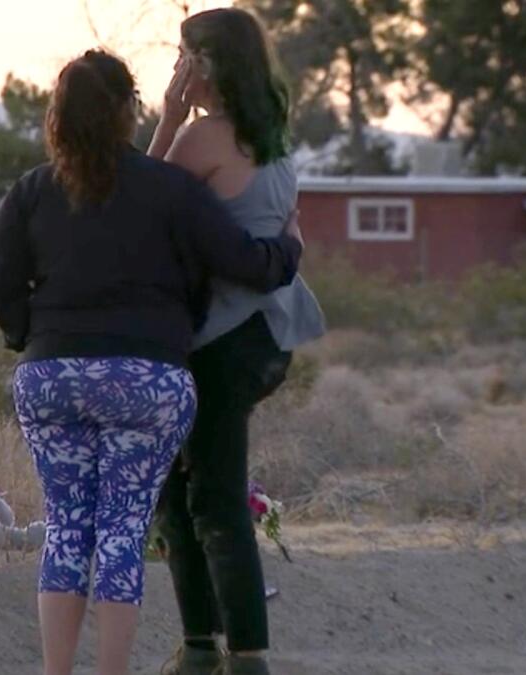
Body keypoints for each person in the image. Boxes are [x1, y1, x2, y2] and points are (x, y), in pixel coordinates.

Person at [0, 49, 304, 675]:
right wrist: (287, 247)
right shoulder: (171, 189)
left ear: (57, 117)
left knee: (69, 529)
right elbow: (242, 260)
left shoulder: (33, 190)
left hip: (53, 379)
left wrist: (34, 337)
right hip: (146, 382)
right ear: (130, 110)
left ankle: (56, 671)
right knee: (123, 531)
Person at [147, 8, 326, 675]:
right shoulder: (272, 135)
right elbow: (288, 229)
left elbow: (136, 204)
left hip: (221, 339)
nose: (179, 69)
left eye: (186, 57)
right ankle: (208, 647)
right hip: (267, 333)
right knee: (191, 491)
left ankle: (239, 654)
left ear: (209, 64)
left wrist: (167, 113)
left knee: (207, 497)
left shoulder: (204, 137)